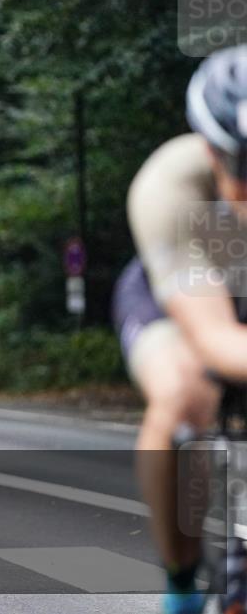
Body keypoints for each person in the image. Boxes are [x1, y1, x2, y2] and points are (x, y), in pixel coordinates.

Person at [112, 45, 247, 614]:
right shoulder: (170, 185)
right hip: (181, 297)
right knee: (186, 391)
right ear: (213, 152)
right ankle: (182, 579)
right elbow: (215, 338)